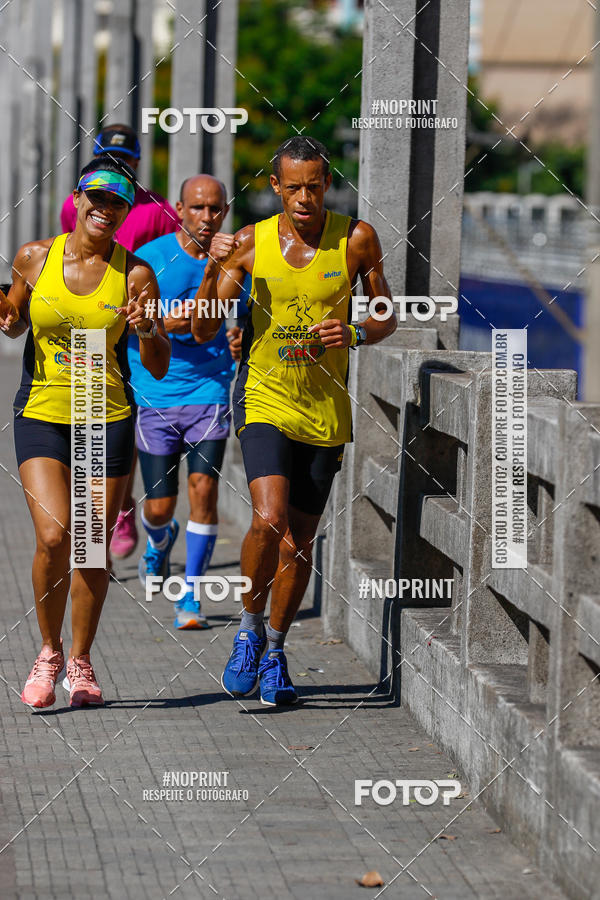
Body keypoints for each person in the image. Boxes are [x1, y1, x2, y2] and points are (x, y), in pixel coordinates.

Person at [191, 136, 396, 706]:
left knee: (300, 543)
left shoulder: (356, 239)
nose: (303, 198)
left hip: (325, 408)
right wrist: (214, 269)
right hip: (264, 398)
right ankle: (248, 630)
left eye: (314, 185)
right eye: (292, 186)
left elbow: (386, 315)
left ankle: (277, 650)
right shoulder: (251, 243)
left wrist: (354, 331)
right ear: (275, 187)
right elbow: (205, 328)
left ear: (326, 184)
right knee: (268, 519)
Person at [1, 155, 170, 708]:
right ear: (77, 199)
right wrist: (6, 314)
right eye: (96, 197)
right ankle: (47, 652)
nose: (105, 208)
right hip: (44, 411)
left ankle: (80, 661)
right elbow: (15, 321)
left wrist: (146, 329)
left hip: (105, 413)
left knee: (92, 547)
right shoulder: (35, 257)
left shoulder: (136, 273)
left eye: (117, 202)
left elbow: (159, 362)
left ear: (126, 211)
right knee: (54, 536)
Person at [132, 174, 246, 630]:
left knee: (204, 491)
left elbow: (244, 313)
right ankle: (159, 540)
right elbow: (130, 325)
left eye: (215, 208)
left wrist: (238, 336)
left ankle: (192, 595)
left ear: (226, 211)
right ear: (179, 209)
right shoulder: (150, 260)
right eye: (197, 208)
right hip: (156, 393)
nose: (206, 217)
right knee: (160, 507)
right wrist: (159, 323)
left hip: (210, 390)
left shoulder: (238, 258)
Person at [61, 123, 179, 562]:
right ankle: (102, 528)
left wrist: (149, 317)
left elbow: (167, 262)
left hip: (140, 325)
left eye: (124, 162)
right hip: (93, 335)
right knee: (82, 437)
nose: (116, 168)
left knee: (122, 427)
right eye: (107, 159)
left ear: (136, 164)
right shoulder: (76, 201)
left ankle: (118, 509)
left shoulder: (159, 210)